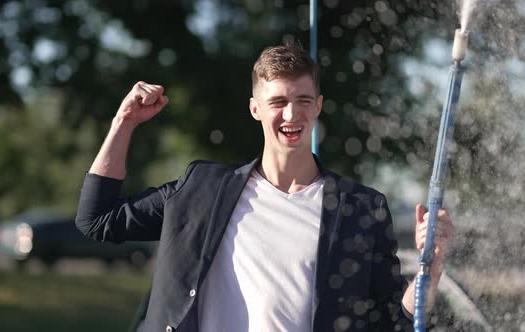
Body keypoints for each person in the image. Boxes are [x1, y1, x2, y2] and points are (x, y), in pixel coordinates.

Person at [75, 44, 453, 332]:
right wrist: (123, 123)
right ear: (255, 108)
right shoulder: (201, 188)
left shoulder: (361, 208)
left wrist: (429, 271)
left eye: (303, 101)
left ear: (318, 106)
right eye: (278, 102)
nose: (291, 115)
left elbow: (392, 321)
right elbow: (97, 219)